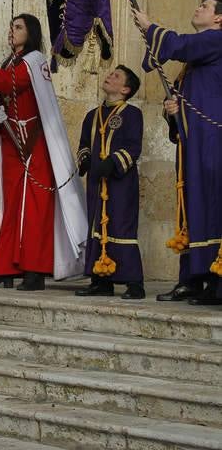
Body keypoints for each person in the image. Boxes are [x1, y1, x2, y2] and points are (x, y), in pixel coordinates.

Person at [0, 13, 87, 291]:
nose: (12, 31)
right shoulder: (11, 61)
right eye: (11, 26)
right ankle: (3, 269)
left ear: (31, 32)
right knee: (12, 208)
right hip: (14, 143)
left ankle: (35, 271)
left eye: (18, 27)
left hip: (35, 145)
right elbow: (7, 88)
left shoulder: (34, 61)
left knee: (35, 210)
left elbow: (7, 83)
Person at [134, 0, 222, 305]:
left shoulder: (216, 39)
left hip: (212, 143)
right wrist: (173, 112)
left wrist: (150, 28)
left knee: (211, 205)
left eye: (206, 6)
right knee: (192, 206)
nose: (198, 7)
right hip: (193, 144)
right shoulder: (195, 61)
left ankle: (216, 279)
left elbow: (182, 45)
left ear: (218, 19)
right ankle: (193, 277)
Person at [74, 66, 145, 299]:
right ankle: (100, 280)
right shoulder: (91, 116)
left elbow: (133, 147)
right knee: (97, 226)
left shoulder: (132, 114)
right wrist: (84, 160)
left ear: (125, 89)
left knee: (121, 225)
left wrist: (113, 163)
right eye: (110, 73)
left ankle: (134, 282)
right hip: (96, 181)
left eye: (116, 76)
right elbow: (84, 144)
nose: (109, 76)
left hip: (121, 182)